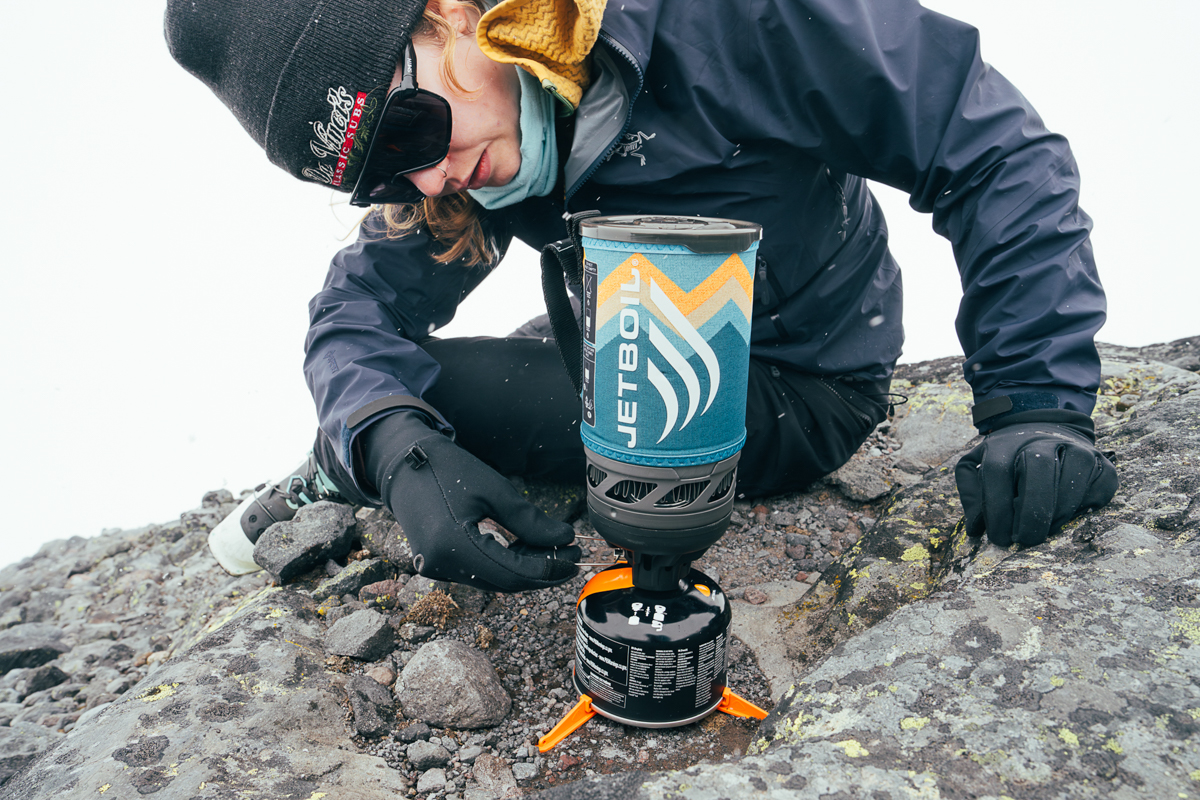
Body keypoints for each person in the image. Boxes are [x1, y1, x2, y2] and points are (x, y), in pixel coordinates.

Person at [164, 0, 1118, 591]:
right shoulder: (483, 150)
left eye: (408, 131)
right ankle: (352, 455)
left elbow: (988, 146)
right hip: (629, 331)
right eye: (376, 175)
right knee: (402, 405)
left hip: (797, 385)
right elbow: (357, 310)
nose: (424, 181)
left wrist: (1036, 407)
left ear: (452, 11)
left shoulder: (725, 21)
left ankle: (329, 470)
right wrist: (394, 444)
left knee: (440, 393)